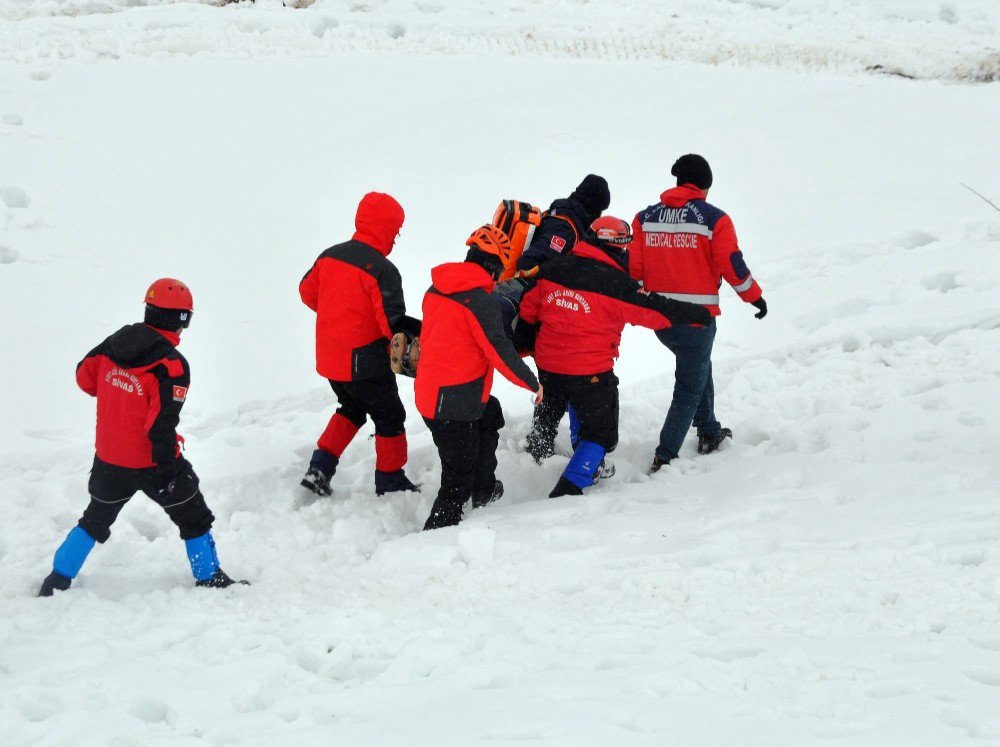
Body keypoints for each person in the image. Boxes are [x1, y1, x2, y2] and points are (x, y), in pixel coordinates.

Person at [38, 279, 246, 596]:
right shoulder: (171, 365)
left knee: (93, 519)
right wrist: (168, 470)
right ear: (182, 319)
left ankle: (56, 580)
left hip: (109, 459)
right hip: (153, 461)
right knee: (194, 516)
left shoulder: (114, 343)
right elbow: (161, 425)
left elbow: (85, 377)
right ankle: (208, 577)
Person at [519, 221, 711, 498]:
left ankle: (555, 453)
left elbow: (528, 310)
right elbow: (654, 310)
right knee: (601, 432)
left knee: (564, 401)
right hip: (589, 373)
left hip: (548, 366)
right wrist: (697, 314)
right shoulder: (616, 285)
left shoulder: (553, 269)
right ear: (619, 248)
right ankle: (570, 487)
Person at [630, 154, 768, 472]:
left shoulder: (644, 218)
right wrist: (754, 297)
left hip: (661, 319)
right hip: (697, 319)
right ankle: (665, 456)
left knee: (698, 366)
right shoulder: (714, 219)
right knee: (689, 386)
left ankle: (708, 430)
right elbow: (732, 264)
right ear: (705, 186)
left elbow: (634, 269)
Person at [416, 226, 543, 530]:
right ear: (493, 266)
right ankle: (433, 537)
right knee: (455, 479)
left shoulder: (436, 290)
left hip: (433, 393)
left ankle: (483, 488)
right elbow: (500, 354)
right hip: (454, 406)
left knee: (490, 415)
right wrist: (533, 384)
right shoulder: (480, 302)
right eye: (500, 267)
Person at [299, 192, 421, 497]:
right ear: (387, 228)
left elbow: (306, 292)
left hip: (330, 359)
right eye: (396, 230)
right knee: (390, 416)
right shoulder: (382, 270)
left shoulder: (329, 256)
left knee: (351, 408)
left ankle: (320, 468)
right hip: (365, 362)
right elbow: (391, 326)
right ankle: (391, 479)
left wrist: (338, 314)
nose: (396, 236)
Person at [515, 174, 611, 275]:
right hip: (518, 287)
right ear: (593, 208)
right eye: (600, 210)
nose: (600, 215)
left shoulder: (562, 213)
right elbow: (529, 263)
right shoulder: (565, 228)